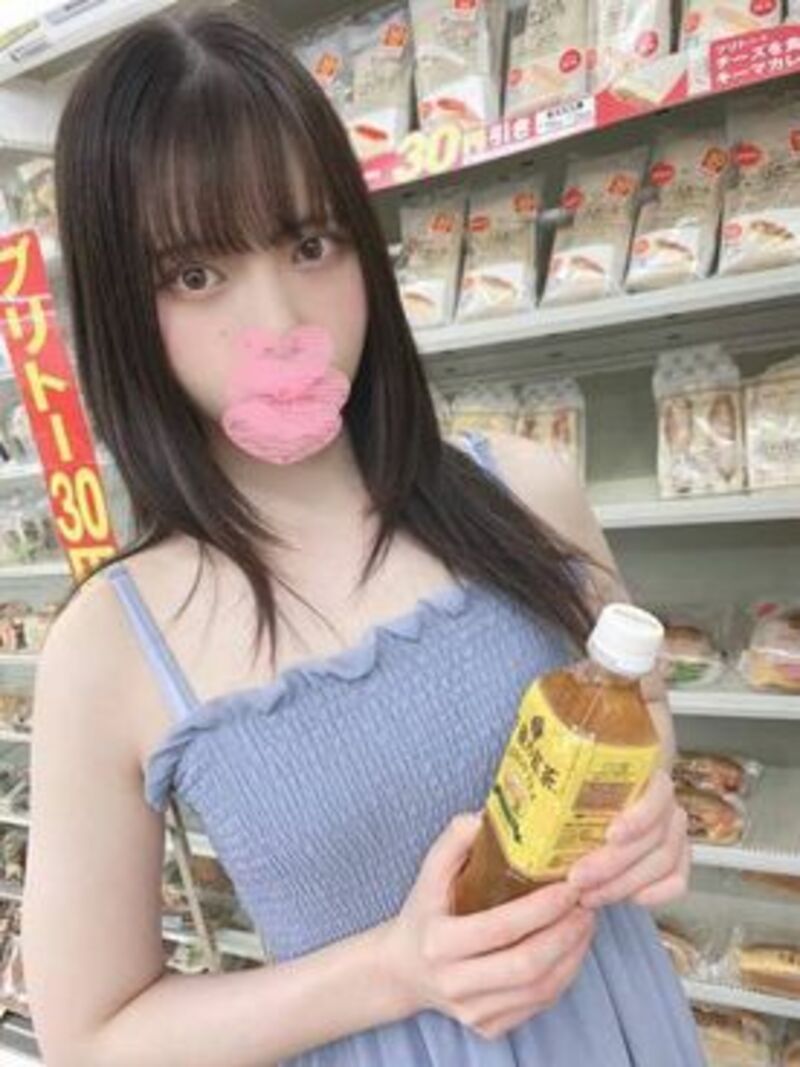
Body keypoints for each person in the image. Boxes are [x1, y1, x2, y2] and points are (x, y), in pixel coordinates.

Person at [22, 8, 702, 1066]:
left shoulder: (527, 489)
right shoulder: (110, 648)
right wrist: (394, 968)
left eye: (309, 243)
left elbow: (639, 710)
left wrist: (650, 807)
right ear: (119, 307)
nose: (278, 320)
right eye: (195, 273)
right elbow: (92, 1035)